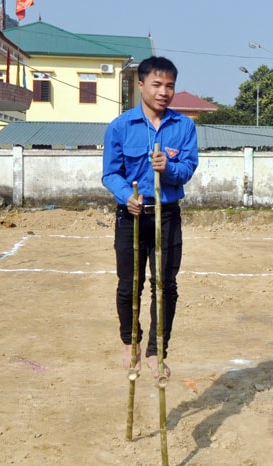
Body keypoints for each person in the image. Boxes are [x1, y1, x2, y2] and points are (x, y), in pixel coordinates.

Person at [102, 56, 199, 378]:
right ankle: (131, 344)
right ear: (141, 85)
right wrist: (125, 196)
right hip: (130, 217)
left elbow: (187, 170)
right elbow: (110, 173)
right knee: (129, 286)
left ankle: (157, 351)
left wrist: (168, 169)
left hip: (167, 216)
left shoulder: (184, 127)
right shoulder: (120, 126)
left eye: (169, 86)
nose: (163, 92)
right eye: (157, 85)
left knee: (165, 285)